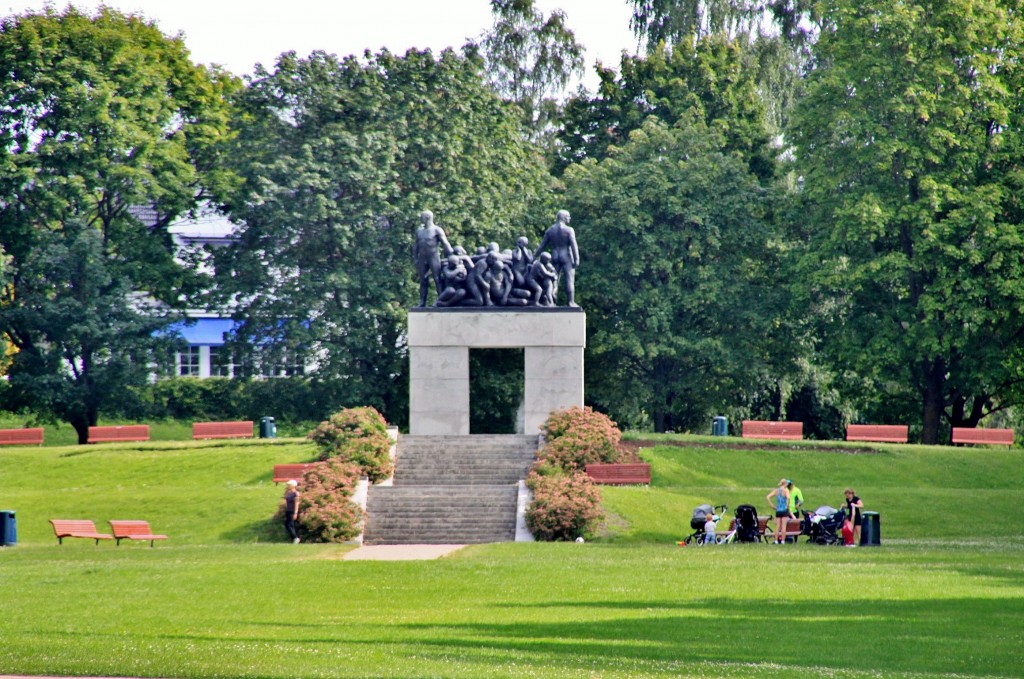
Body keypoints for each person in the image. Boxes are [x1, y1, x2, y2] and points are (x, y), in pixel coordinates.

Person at [534, 209, 580, 307]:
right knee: (569, 280)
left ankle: (551, 301)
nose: (569, 218)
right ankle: (570, 302)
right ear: (563, 217)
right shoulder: (569, 230)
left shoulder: (550, 230)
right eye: (568, 216)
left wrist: (534, 257)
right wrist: (576, 259)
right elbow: (573, 245)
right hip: (566, 256)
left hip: (554, 256)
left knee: (554, 280)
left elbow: (542, 246)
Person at [412, 210, 453, 307]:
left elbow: (445, 243)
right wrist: (415, 258)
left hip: (433, 257)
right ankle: (422, 302)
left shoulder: (436, 230)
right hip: (422, 258)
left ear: (427, 218)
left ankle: (441, 300)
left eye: (421, 217)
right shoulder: (419, 231)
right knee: (423, 280)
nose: (420, 219)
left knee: (437, 279)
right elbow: (415, 245)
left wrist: (451, 254)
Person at [766, 478, 791, 544]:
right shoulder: (786, 490)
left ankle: (776, 540)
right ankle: (783, 540)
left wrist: (772, 506)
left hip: (778, 510)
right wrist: (787, 505)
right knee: (783, 526)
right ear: (785, 484)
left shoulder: (776, 491)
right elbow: (788, 498)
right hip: (784, 510)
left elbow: (768, 497)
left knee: (777, 526)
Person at [283, 479, 300, 544]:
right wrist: (286, 490)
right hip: (288, 510)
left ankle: (295, 538)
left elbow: (297, 503)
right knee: (288, 524)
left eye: (289, 485)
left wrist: (295, 513)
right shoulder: (289, 493)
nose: (288, 486)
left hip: (292, 511)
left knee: (289, 525)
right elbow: (285, 497)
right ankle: (294, 538)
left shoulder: (296, 494)